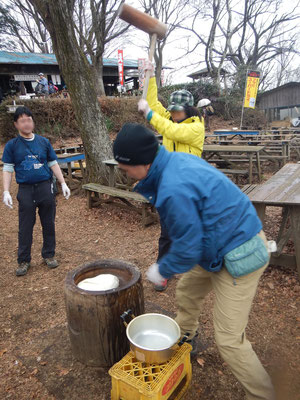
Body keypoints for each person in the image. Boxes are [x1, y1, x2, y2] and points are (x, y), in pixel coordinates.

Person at [113, 123, 275, 400]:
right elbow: (192, 235)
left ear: (143, 163)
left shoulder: (173, 187)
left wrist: (162, 269)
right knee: (188, 290)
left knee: (229, 340)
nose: (125, 173)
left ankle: (264, 394)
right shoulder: (173, 160)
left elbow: (187, 248)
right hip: (214, 246)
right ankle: (185, 339)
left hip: (239, 253)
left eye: (125, 168)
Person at [138, 60, 205, 291]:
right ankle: (165, 270)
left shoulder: (196, 127)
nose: (173, 114)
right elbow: (155, 103)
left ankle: (196, 271)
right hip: (167, 186)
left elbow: (172, 131)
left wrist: (149, 116)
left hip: (190, 189)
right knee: (166, 232)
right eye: (172, 110)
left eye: (178, 110)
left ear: (188, 110)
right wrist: (151, 75)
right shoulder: (168, 118)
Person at [2, 106, 71, 276]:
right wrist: (6, 191)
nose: (26, 123)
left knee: (48, 223)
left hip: (45, 187)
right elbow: (8, 169)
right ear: (16, 124)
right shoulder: (12, 145)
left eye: (29, 119)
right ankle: (24, 260)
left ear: (33, 121)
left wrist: (63, 183)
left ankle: (49, 255)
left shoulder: (43, 142)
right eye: (22, 120)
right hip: (25, 190)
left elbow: (53, 163)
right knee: (25, 227)